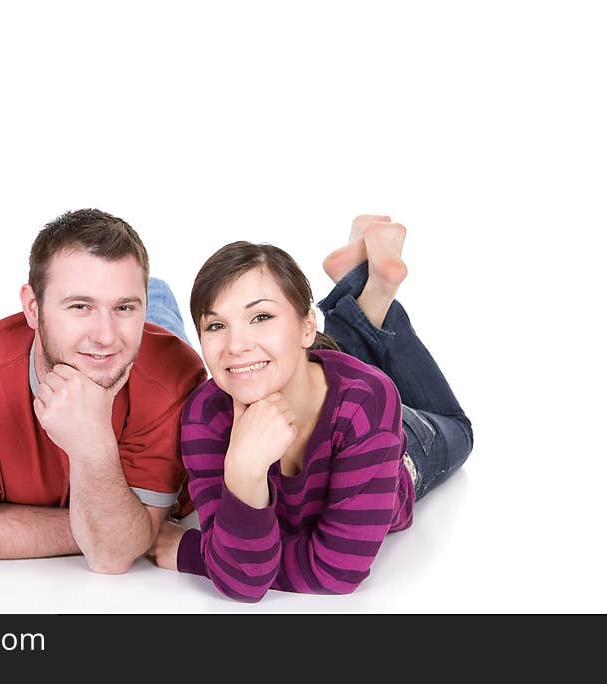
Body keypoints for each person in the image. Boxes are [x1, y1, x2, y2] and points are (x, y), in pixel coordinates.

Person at [148, 215, 473, 601]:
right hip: (309, 376)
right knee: (281, 360)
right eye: (216, 326)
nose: (235, 345)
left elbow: (336, 572)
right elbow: (243, 583)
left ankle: (376, 296)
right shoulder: (206, 413)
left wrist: (196, 553)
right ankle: (362, 287)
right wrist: (244, 470)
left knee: (459, 430)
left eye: (261, 316)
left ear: (307, 327)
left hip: (394, 439)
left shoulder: (367, 403)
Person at [0, 209, 206, 574]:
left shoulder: (177, 377)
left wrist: (92, 445)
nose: (104, 334)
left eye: (125, 306)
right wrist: (120, 526)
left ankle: (150, 301)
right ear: (33, 308)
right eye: (80, 306)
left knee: (158, 337)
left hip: (156, 351)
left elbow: (112, 557)